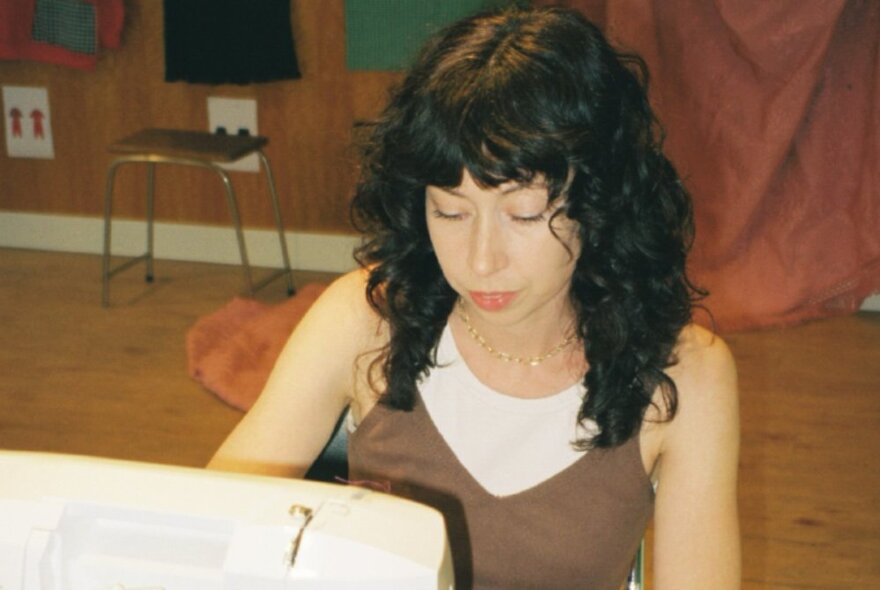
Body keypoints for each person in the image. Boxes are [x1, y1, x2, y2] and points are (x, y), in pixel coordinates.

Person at [208, 6, 740, 589]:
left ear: (601, 205)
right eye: (451, 212)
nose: (482, 261)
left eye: (524, 214)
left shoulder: (686, 376)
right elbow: (212, 526)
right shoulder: (364, 320)